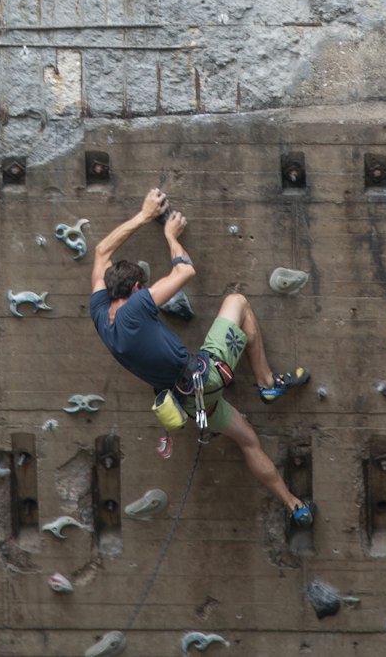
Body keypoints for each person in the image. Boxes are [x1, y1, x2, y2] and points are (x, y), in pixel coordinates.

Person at [89, 187, 315, 527]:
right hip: (206, 375)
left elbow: (101, 251)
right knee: (238, 302)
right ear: (136, 289)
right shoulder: (136, 307)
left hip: (192, 405)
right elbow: (184, 272)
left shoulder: (100, 314)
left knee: (248, 440)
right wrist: (169, 234)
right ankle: (267, 383)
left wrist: (143, 215)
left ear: (109, 290)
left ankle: (293, 504)